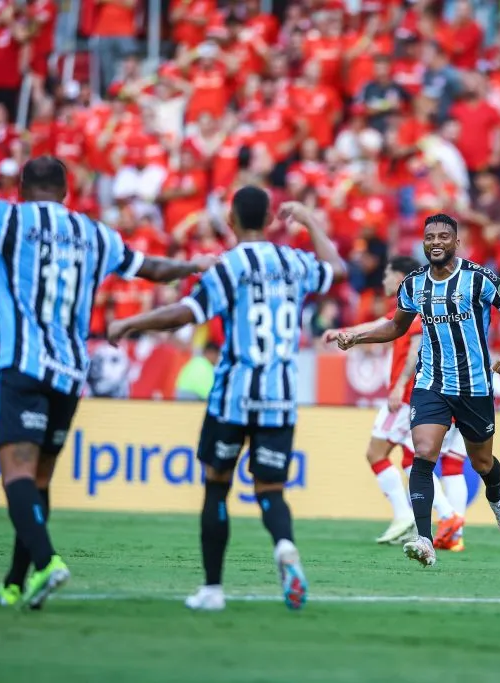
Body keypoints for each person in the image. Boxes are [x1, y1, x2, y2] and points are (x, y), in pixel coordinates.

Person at [0, 156, 211, 609]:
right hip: (72, 374)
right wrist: (192, 264)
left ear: (21, 188)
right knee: (40, 478)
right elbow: (149, 267)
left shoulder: (6, 217)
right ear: (66, 192)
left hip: (25, 366)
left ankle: (48, 561)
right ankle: (14, 583)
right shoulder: (93, 233)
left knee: (16, 472)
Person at [108, 188, 347, 611]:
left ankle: (213, 590)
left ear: (232, 221)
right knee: (270, 490)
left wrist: (132, 322)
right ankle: (285, 547)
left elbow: (187, 312)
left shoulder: (228, 266)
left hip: (234, 395)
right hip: (280, 396)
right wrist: (309, 221)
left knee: (217, 487)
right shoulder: (293, 262)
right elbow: (337, 269)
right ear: (272, 220)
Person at [336, 213, 500, 567]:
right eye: (429, 237)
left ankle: (497, 496)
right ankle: (424, 539)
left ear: (456, 242)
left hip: (475, 386)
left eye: (443, 236)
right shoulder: (413, 285)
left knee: (482, 461)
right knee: (423, 452)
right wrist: (357, 337)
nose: (436, 242)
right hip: (431, 383)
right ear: (423, 243)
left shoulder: (479, 279)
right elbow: (396, 328)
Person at [323, 256, 469, 550]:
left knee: (379, 452)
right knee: (424, 460)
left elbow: (415, 347)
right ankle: (444, 524)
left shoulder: (418, 309)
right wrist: (347, 333)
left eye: (388, 274)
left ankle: (440, 517)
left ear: (401, 276)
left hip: (409, 398)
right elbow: (383, 324)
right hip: (442, 394)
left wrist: (401, 384)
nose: (383, 280)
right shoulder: (415, 305)